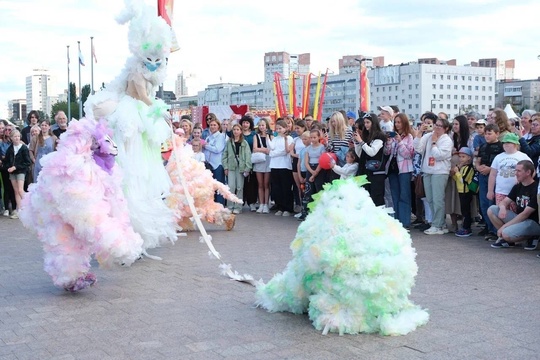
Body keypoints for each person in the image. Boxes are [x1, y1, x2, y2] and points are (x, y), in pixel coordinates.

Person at [413, 117, 453, 235]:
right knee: (430, 199)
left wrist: (435, 142)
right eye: (436, 125)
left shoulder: (446, 140)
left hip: (440, 172)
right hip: (427, 170)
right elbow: (417, 148)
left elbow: (439, 155)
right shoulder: (428, 136)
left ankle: (438, 225)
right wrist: (420, 133)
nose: (436, 127)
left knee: (438, 199)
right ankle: (439, 223)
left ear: (445, 129)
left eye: (440, 126)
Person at [489, 160, 540, 248]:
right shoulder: (518, 186)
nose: (515, 173)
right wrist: (502, 208)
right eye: (515, 170)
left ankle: (532, 237)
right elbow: (504, 202)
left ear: (528, 172)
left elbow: (525, 214)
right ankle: (508, 240)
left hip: (532, 222)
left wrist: (503, 227)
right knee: (492, 210)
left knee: (506, 233)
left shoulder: (535, 189)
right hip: (520, 219)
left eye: (519, 171)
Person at [385, 113, 415, 229]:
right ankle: (397, 221)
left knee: (404, 195)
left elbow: (408, 154)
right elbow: (387, 153)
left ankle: (405, 221)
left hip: (404, 169)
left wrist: (399, 141)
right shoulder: (392, 136)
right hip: (393, 169)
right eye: (395, 122)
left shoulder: (409, 137)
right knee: (395, 195)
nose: (397, 124)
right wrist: (388, 142)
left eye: (399, 122)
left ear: (404, 123)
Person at [487, 133, 532, 208]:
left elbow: (531, 171)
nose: (505, 144)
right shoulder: (498, 157)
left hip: (517, 191)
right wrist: (490, 190)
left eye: (508, 142)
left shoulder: (523, 156)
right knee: (500, 212)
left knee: (515, 213)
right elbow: (492, 174)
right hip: (500, 191)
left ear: (515, 144)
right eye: (504, 142)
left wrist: (523, 181)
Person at [476, 124, 504, 241]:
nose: (487, 136)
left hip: (494, 177)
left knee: (491, 202)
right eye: (486, 133)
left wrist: (490, 169)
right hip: (482, 177)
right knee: (483, 203)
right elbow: (477, 160)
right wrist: (478, 167)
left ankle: (494, 229)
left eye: (490, 133)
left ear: (497, 134)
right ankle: (488, 226)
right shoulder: (482, 146)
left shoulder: (501, 147)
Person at [355, 113, 387, 206]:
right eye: (365, 123)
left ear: (374, 123)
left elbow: (372, 152)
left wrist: (361, 142)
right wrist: (357, 143)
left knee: (377, 199)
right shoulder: (367, 136)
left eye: (368, 122)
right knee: (366, 199)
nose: (366, 125)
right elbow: (361, 154)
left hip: (376, 173)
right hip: (366, 172)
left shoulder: (379, 136)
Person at [1, 130, 31, 219]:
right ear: (11, 138)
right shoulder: (10, 149)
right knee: (16, 191)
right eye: (15, 136)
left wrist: (16, 167)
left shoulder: (24, 148)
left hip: (21, 171)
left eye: (18, 136)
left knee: (21, 190)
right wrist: (8, 167)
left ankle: (30, 207)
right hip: (12, 172)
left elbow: (27, 162)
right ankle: (19, 210)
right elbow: (6, 161)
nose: (17, 138)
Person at [222, 124, 251, 214]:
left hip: (241, 166)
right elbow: (225, 155)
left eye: (237, 129)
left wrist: (247, 168)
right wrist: (225, 167)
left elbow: (248, 155)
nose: (235, 131)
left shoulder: (244, 143)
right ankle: (230, 206)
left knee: (239, 187)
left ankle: (238, 206)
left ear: (241, 131)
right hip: (231, 166)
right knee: (231, 186)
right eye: (234, 129)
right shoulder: (229, 142)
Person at [268, 119, 294, 216]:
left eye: (280, 128)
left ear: (285, 128)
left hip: (285, 166)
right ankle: (280, 207)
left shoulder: (289, 138)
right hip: (274, 165)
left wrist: (273, 154)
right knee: (276, 187)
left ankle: (287, 208)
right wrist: (267, 137)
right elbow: (271, 148)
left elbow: (285, 151)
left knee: (285, 187)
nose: (278, 130)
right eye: (277, 128)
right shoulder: (275, 139)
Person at [300, 129, 326, 220]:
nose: (312, 139)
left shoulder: (322, 147)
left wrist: (315, 173)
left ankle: (319, 213)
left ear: (319, 137)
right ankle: (305, 212)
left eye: (314, 137)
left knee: (319, 190)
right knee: (308, 191)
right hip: (310, 169)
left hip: (319, 169)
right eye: (311, 137)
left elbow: (321, 160)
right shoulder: (308, 148)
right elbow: (306, 162)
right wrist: (311, 172)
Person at [202, 115, 227, 205]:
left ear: (218, 126)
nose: (212, 127)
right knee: (210, 186)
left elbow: (217, 149)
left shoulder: (220, 137)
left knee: (219, 185)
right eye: (211, 125)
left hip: (217, 164)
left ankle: (220, 204)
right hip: (209, 164)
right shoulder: (208, 137)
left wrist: (206, 146)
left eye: (214, 125)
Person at [452, 147, 475, 237]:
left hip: (466, 191)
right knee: (463, 210)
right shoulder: (462, 167)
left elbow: (463, 179)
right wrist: (455, 173)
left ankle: (467, 227)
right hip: (461, 191)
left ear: (469, 158)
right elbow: (456, 179)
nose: (461, 159)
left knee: (466, 211)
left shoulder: (469, 168)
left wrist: (457, 172)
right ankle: (465, 226)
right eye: (460, 157)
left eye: (463, 157)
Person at [252, 117, 273, 214]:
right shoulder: (256, 136)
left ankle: (266, 204)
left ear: (266, 126)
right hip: (259, 160)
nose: (261, 127)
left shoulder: (271, 136)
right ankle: (261, 204)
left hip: (268, 161)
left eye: (263, 125)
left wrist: (268, 137)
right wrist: (264, 150)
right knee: (260, 184)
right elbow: (255, 149)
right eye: (260, 125)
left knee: (266, 184)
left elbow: (272, 148)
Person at [239, 115, 258, 212]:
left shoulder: (254, 134)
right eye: (243, 122)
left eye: (247, 122)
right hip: (240, 161)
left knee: (251, 183)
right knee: (240, 183)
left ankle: (252, 202)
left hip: (251, 161)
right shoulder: (238, 133)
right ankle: (241, 202)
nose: (245, 124)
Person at [290, 120, 308, 213]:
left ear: (304, 128)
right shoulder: (296, 139)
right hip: (296, 161)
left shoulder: (308, 138)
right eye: (295, 128)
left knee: (306, 187)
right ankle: (300, 206)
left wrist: (301, 156)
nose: (296, 130)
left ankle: (306, 208)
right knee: (298, 186)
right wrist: (297, 155)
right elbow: (291, 151)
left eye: (298, 128)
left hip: (305, 162)